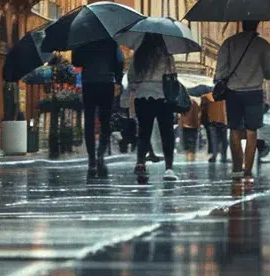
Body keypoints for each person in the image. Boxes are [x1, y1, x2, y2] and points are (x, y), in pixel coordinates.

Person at [215, 20, 270, 177]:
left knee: (234, 129)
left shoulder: (229, 43)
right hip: (254, 92)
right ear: (257, 24)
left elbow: (221, 70)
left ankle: (236, 168)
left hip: (233, 92)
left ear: (242, 24)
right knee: (251, 131)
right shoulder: (263, 45)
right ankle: (248, 169)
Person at [127, 34, 182, 180]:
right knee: (167, 133)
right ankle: (169, 168)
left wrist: (139, 86)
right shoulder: (166, 55)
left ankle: (140, 162)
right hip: (163, 96)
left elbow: (131, 79)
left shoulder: (137, 55)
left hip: (142, 96)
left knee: (144, 131)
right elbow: (173, 75)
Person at [72, 38, 124, 175]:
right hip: (107, 82)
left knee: (89, 121)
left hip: (89, 82)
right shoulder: (111, 41)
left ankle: (91, 160)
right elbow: (119, 61)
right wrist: (118, 79)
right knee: (105, 121)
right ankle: (101, 154)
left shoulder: (84, 40)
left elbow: (75, 62)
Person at [201, 91, 227, 163]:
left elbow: (203, 110)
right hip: (223, 120)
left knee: (213, 139)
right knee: (224, 139)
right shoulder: (225, 96)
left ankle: (214, 155)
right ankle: (224, 156)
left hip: (211, 120)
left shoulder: (206, 97)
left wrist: (203, 121)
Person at [177, 94, 202, 162]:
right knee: (192, 144)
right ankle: (192, 159)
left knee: (187, 144)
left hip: (185, 125)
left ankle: (189, 160)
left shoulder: (183, 102)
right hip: (194, 125)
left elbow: (180, 113)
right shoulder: (196, 102)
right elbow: (199, 114)